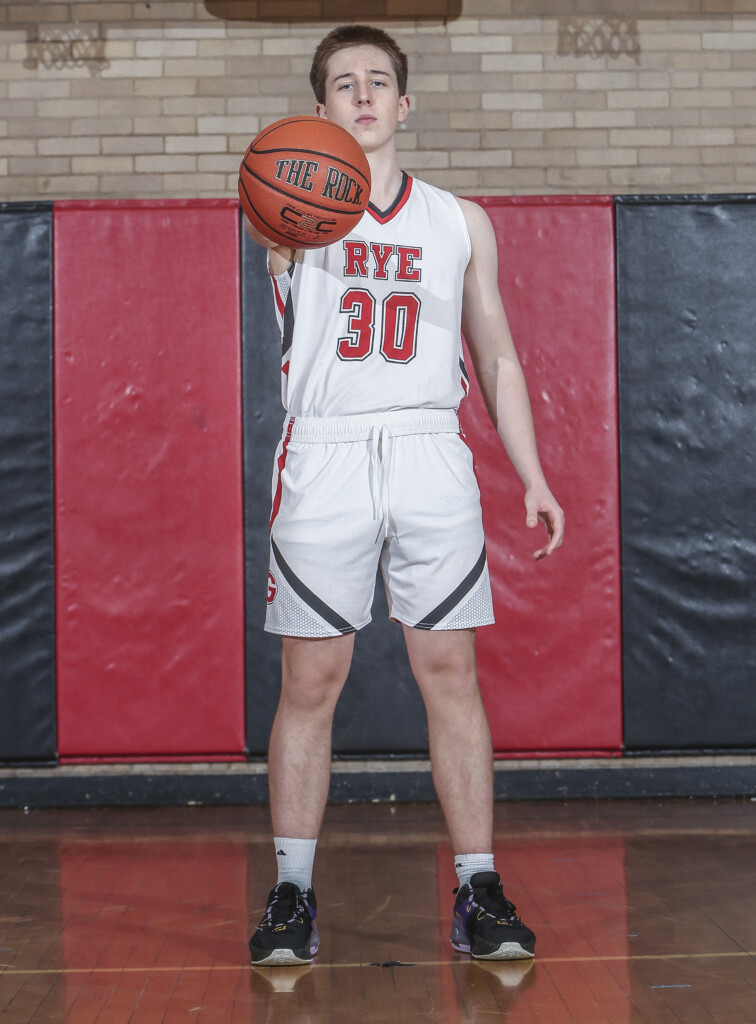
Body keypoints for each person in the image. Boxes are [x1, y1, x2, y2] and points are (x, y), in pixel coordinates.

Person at [244, 24, 564, 967]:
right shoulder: (287, 212)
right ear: (320, 111)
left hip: (432, 450)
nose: (365, 96)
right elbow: (277, 226)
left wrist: (533, 474)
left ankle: (479, 888)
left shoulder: (459, 222)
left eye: (380, 81)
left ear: (406, 103)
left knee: (451, 677)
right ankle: (293, 893)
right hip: (328, 454)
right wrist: (286, 200)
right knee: (312, 683)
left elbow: (496, 354)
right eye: (343, 85)